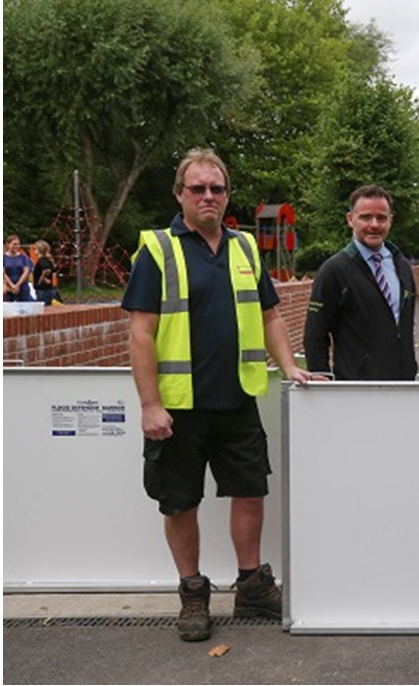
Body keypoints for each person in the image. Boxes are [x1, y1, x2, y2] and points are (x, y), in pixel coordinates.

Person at [122, 148, 318, 642]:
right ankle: (192, 592)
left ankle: (251, 584)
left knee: (250, 492)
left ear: (226, 194)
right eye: (198, 188)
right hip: (177, 409)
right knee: (179, 503)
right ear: (180, 194)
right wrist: (149, 404)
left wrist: (290, 364)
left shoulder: (245, 249)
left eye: (217, 188)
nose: (208, 196)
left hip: (237, 400)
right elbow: (141, 334)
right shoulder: (158, 250)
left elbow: (271, 316)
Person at [304, 185, 418, 380]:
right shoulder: (334, 271)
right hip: (356, 388)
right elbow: (315, 335)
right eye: (366, 217)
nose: (374, 224)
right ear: (351, 219)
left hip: (403, 385)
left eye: (382, 218)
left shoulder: (402, 266)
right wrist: (320, 379)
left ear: (391, 220)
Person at [3, 235, 34, 302]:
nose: (16, 246)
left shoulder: (23, 257)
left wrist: (17, 285)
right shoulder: (3, 257)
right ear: (8, 244)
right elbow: (3, 273)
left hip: (22, 286)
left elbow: (26, 272)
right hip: (8, 287)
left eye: (18, 244)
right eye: (14, 244)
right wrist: (12, 286)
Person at [32, 240, 62, 306]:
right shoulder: (47, 260)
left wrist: (42, 279)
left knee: (41, 307)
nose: (34, 251)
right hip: (48, 288)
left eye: (35, 249)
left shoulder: (42, 260)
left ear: (39, 250)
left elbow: (46, 270)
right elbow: (53, 270)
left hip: (43, 289)